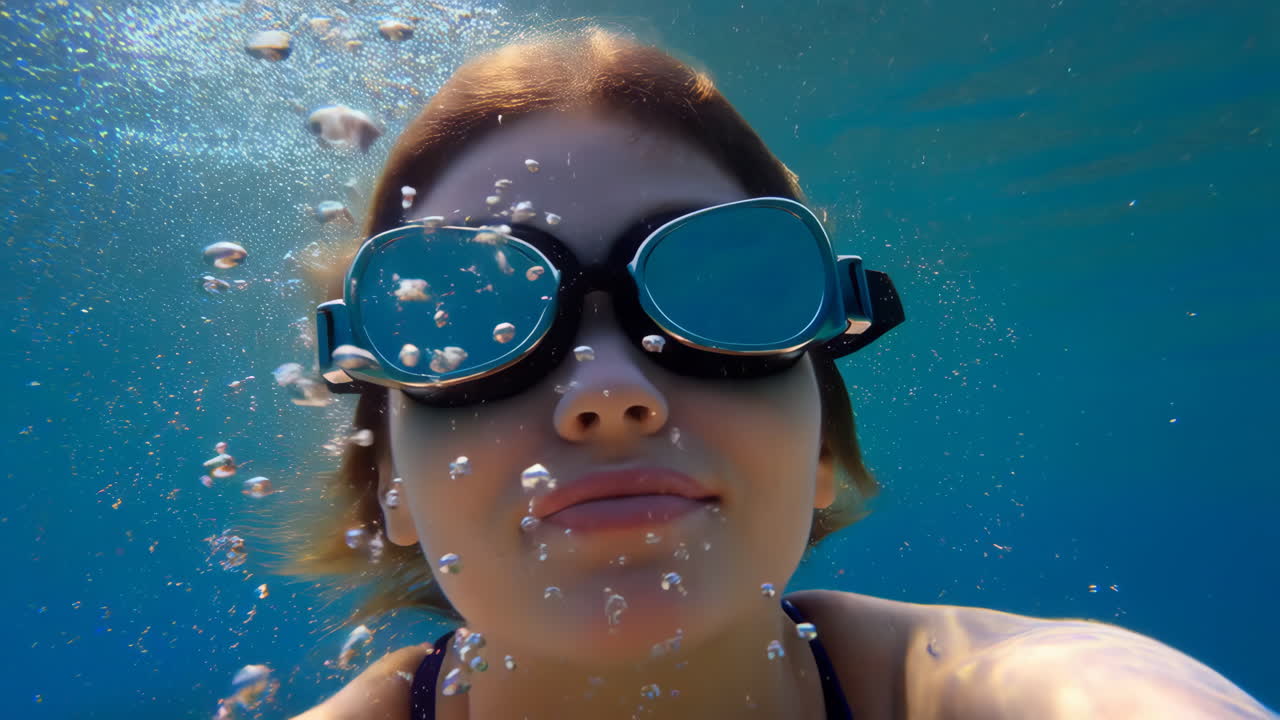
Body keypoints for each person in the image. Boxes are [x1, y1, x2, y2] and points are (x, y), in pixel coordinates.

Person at [288, 27, 1274, 720]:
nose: (606, 394)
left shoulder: (1024, 693)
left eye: (725, 298)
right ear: (385, 483)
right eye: (469, 320)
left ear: (818, 444)